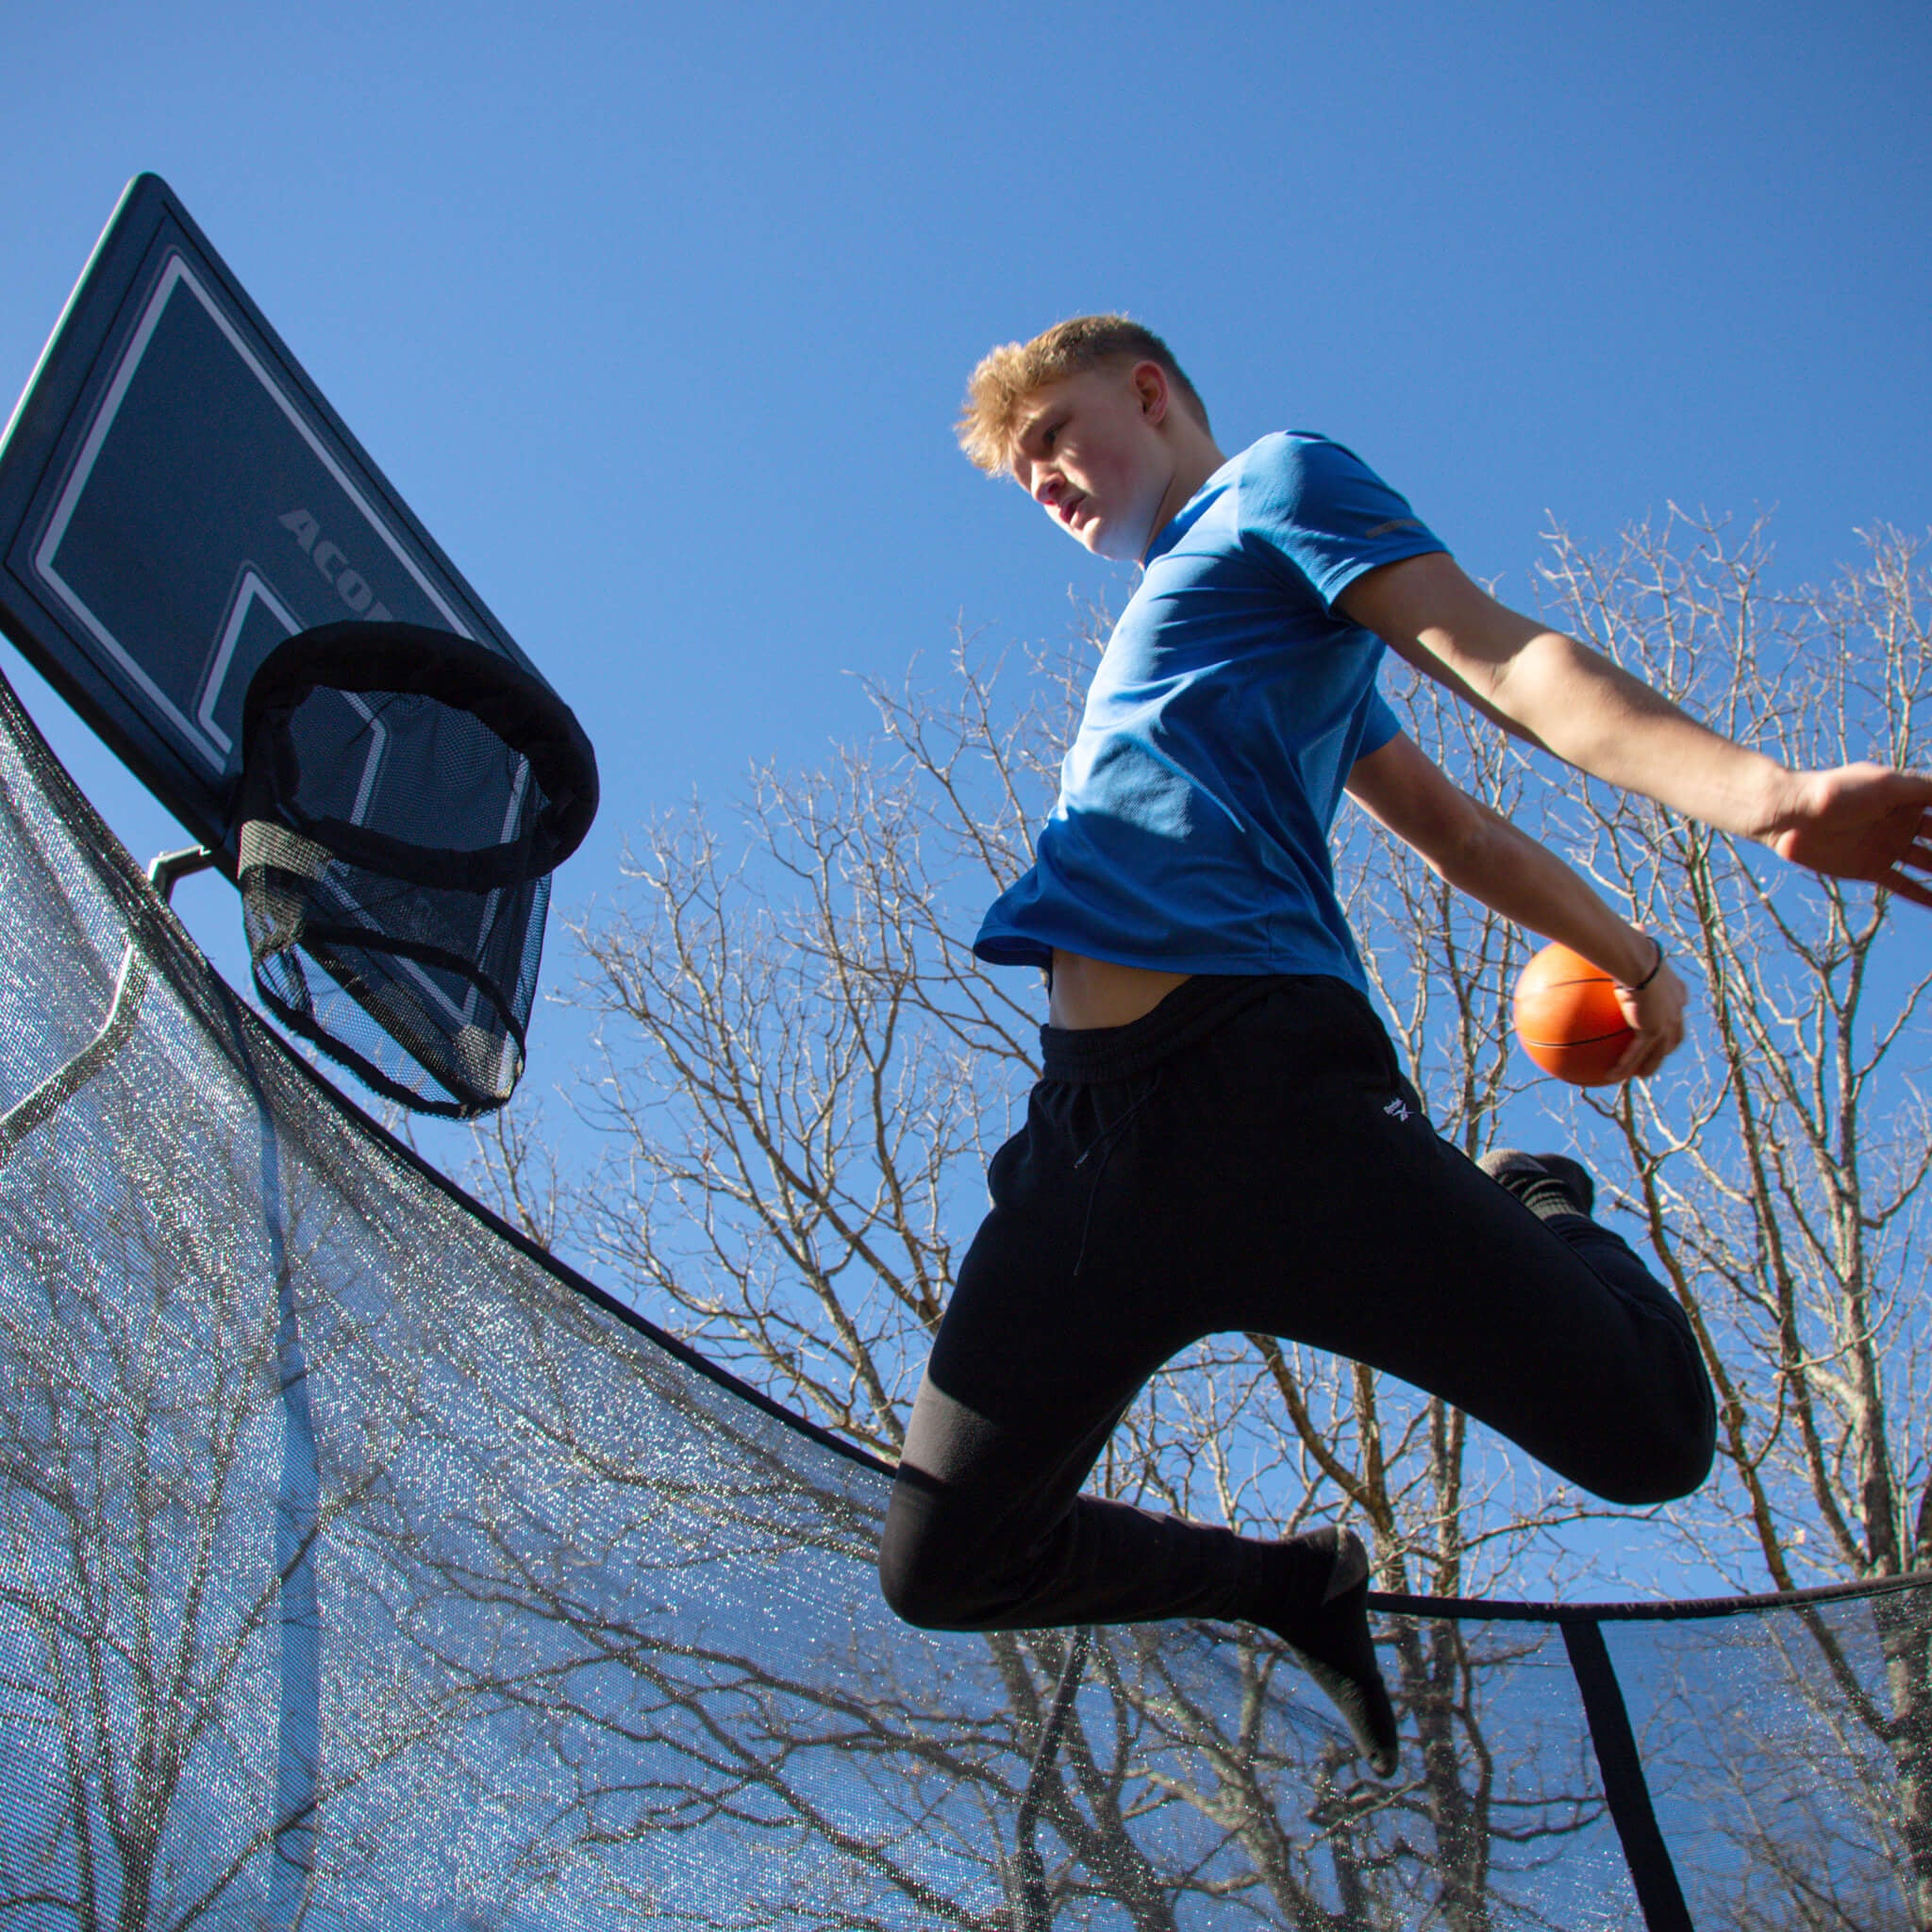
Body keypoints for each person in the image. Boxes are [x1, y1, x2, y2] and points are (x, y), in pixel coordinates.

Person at [876, 315, 1932, 1777]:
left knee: (1652, 1441)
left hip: (1262, 1094)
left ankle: (1544, 1208)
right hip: (1089, 1152)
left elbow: (1505, 655)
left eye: (1053, 436)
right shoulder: (1229, 618)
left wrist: (1762, 799)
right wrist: (1632, 955)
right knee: (947, 1571)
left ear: (1149, 388)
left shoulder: (1277, 490)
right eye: (1021, 476)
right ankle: (1285, 1584)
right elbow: (1455, 833)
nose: (1044, 479)